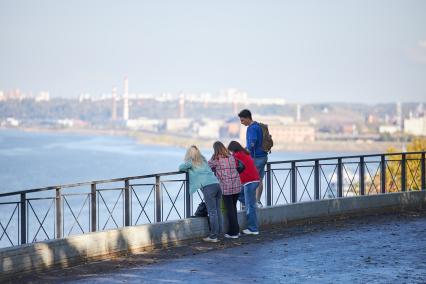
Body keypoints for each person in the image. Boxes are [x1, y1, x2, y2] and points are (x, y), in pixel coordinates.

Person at [179, 145, 223, 243]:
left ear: (189, 154)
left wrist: (188, 167)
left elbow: (180, 167)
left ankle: (213, 236)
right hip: (217, 185)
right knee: (217, 210)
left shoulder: (191, 162)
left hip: (208, 188)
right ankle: (219, 232)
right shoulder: (203, 161)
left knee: (212, 212)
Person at [208, 141, 241, 239]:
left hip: (226, 187)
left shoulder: (216, 159)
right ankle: (235, 231)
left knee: (230, 210)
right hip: (236, 185)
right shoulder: (231, 157)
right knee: (233, 208)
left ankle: (234, 233)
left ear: (215, 149)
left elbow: (207, 166)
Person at [227, 140, 260, 235]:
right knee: (238, 194)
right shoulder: (245, 153)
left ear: (233, 150)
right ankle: (252, 204)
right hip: (254, 180)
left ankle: (253, 229)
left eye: (231, 151)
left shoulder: (237, 156)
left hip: (249, 181)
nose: (231, 153)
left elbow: (229, 162)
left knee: (249, 206)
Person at [238, 109, 268, 208]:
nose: (241, 123)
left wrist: (245, 151)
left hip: (256, 158)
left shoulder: (251, 128)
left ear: (247, 118)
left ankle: (249, 203)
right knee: (259, 179)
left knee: (251, 180)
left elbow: (252, 142)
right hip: (263, 156)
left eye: (242, 120)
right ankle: (257, 201)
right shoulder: (258, 126)